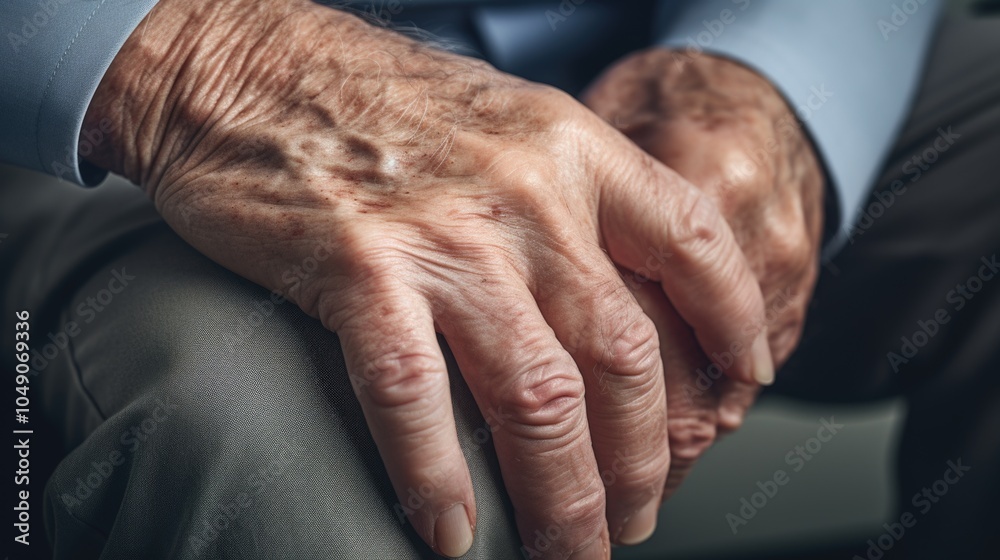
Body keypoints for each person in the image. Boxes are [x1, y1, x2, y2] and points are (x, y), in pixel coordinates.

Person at [1, 0, 996, 558]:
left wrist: (766, 72)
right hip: (89, 118)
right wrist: (195, 64)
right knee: (287, 438)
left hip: (632, 38)